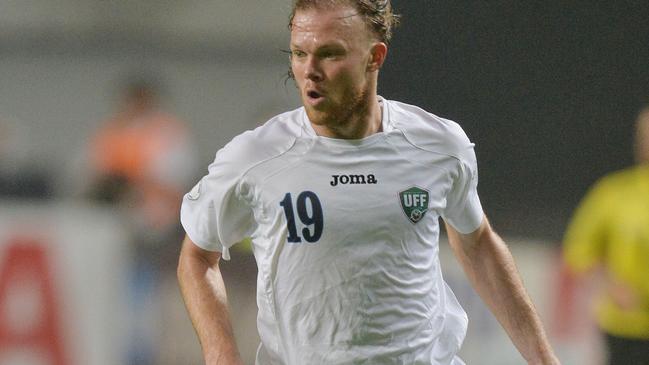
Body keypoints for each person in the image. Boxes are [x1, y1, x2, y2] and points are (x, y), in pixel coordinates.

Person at [177, 1, 560, 364]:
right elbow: (197, 256)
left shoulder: (438, 146)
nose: (310, 69)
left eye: (329, 54)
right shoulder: (255, 157)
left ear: (375, 57)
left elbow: (477, 243)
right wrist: (221, 354)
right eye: (298, 53)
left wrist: (542, 357)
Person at [88, 76, 198, 364]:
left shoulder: (168, 134)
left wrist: (134, 183)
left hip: (158, 229)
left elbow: (177, 183)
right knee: (124, 300)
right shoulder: (113, 133)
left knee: (155, 301)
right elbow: (95, 177)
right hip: (116, 230)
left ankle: (152, 353)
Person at [563, 105, 649, 365]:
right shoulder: (614, 193)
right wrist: (611, 286)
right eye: (645, 135)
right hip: (626, 328)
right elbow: (577, 252)